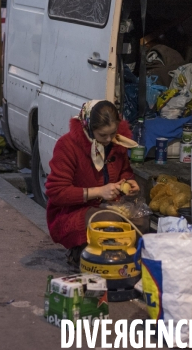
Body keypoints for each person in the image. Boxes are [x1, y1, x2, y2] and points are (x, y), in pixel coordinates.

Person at [45, 100, 141, 269]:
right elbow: (56, 192)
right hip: (71, 212)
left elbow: (125, 171)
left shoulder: (117, 142)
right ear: (89, 127)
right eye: (103, 135)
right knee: (111, 223)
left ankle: (124, 264)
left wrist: (128, 181)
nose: (109, 139)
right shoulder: (67, 146)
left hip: (109, 205)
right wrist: (98, 192)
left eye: (113, 133)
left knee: (141, 221)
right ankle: (82, 254)